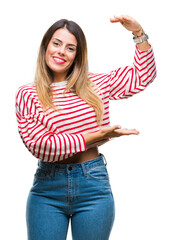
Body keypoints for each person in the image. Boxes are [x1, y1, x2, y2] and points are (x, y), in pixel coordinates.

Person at [15, 15, 156, 240]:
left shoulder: (96, 84)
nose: (62, 51)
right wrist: (96, 136)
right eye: (56, 43)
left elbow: (143, 76)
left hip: (93, 185)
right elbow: (40, 146)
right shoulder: (28, 94)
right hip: (47, 190)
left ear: (77, 56)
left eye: (70, 48)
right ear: (45, 47)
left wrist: (139, 33)